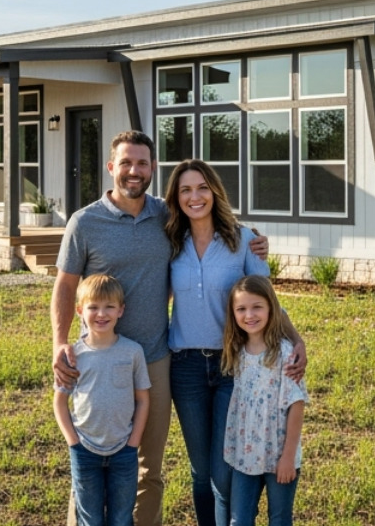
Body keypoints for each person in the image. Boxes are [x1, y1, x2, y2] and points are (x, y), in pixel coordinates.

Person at [51, 130, 281, 526]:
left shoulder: (166, 215)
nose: (134, 171)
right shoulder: (84, 222)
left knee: (147, 464)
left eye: (142, 163)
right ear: (111, 168)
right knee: (90, 457)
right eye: (125, 162)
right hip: (99, 358)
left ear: (153, 168)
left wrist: (252, 239)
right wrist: (59, 343)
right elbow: (65, 286)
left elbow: (207, 216)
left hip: (157, 356)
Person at [164, 159, 270, 526]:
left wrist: (295, 339)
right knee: (200, 471)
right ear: (176, 198)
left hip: (231, 366)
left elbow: (266, 300)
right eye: (186, 190)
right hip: (185, 368)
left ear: (215, 191)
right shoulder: (169, 242)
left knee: (224, 472)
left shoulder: (243, 240)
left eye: (202, 187)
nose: (195, 197)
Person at [54, 274, 151, 526]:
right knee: (91, 519)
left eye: (109, 306)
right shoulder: (73, 355)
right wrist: (73, 443)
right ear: (79, 310)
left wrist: (133, 442)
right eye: (93, 307)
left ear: (121, 310)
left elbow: (143, 399)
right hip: (84, 450)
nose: (101, 313)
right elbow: (60, 403)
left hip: (124, 451)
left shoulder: (133, 352)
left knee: (121, 518)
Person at [222, 275, 306, 526]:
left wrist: (288, 456)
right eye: (241, 309)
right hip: (244, 456)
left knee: (279, 519)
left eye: (257, 306)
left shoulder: (285, 353)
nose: (250, 315)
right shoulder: (236, 351)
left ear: (271, 307)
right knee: (240, 519)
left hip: (279, 453)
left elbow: (296, 404)